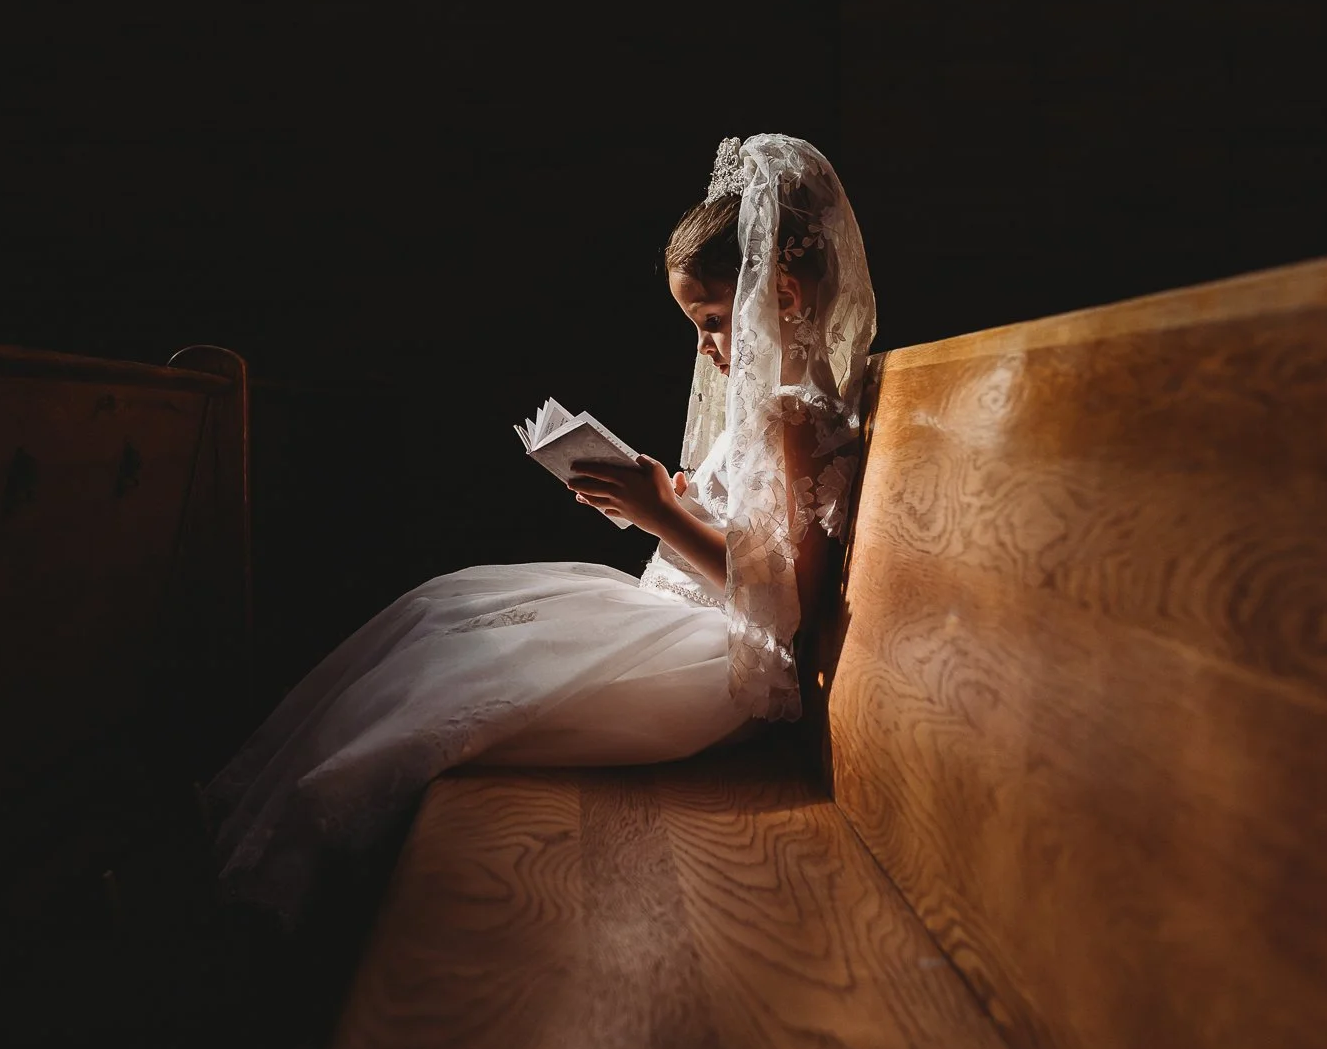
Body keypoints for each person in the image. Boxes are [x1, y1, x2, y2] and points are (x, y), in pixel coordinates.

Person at [207, 134, 876, 918]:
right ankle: (265, 843)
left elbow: (787, 604)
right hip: (679, 616)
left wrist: (660, 513)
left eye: (712, 319)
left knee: (470, 683)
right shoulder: (775, 404)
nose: (705, 346)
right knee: (447, 609)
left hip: (717, 666)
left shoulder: (798, 414)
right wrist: (673, 502)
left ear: (784, 297)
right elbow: (754, 533)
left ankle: (289, 882)